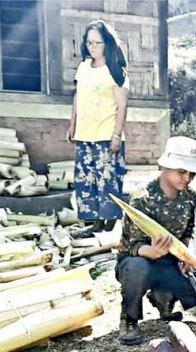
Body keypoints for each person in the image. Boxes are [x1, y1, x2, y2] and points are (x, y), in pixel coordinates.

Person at [116, 137, 196, 346]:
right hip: (139, 262)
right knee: (137, 268)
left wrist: (187, 255)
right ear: (165, 167)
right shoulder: (142, 196)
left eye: (191, 173)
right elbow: (129, 246)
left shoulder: (189, 196)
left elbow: (188, 231)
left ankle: (164, 296)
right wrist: (150, 251)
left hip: (171, 265)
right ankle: (129, 319)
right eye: (182, 172)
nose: (187, 178)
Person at [68, 20, 130, 236]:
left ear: (107, 44)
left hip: (106, 133)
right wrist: (72, 123)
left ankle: (109, 218)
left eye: (97, 42)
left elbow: (122, 106)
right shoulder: (83, 68)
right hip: (85, 134)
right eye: (89, 42)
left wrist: (116, 135)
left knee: (107, 179)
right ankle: (92, 221)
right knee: (86, 179)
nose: (92, 47)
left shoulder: (114, 71)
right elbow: (79, 96)